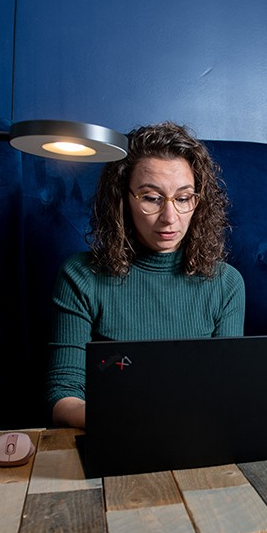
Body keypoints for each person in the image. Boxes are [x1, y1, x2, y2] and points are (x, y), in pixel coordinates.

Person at [45, 122, 245, 429]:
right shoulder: (80, 276)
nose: (170, 217)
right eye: (151, 198)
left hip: (194, 435)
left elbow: (227, 391)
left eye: (183, 198)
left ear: (198, 201)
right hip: (114, 433)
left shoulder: (226, 283)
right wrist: (130, 421)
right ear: (123, 199)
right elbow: (63, 395)